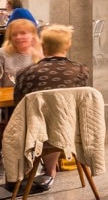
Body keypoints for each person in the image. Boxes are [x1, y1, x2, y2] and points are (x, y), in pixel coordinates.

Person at [11, 24, 91, 191]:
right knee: (56, 119)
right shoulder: (81, 70)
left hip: (36, 134)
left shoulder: (26, 73)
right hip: (71, 131)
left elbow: (18, 106)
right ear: (68, 44)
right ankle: (50, 171)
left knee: (41, 120)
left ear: (43, 46)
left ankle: (26, 171)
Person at [1, 19, 43, 86]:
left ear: (33, 35)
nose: (18, 37)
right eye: (14, 34)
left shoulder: (41, 53)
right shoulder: (2, 53)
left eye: (23, 33)